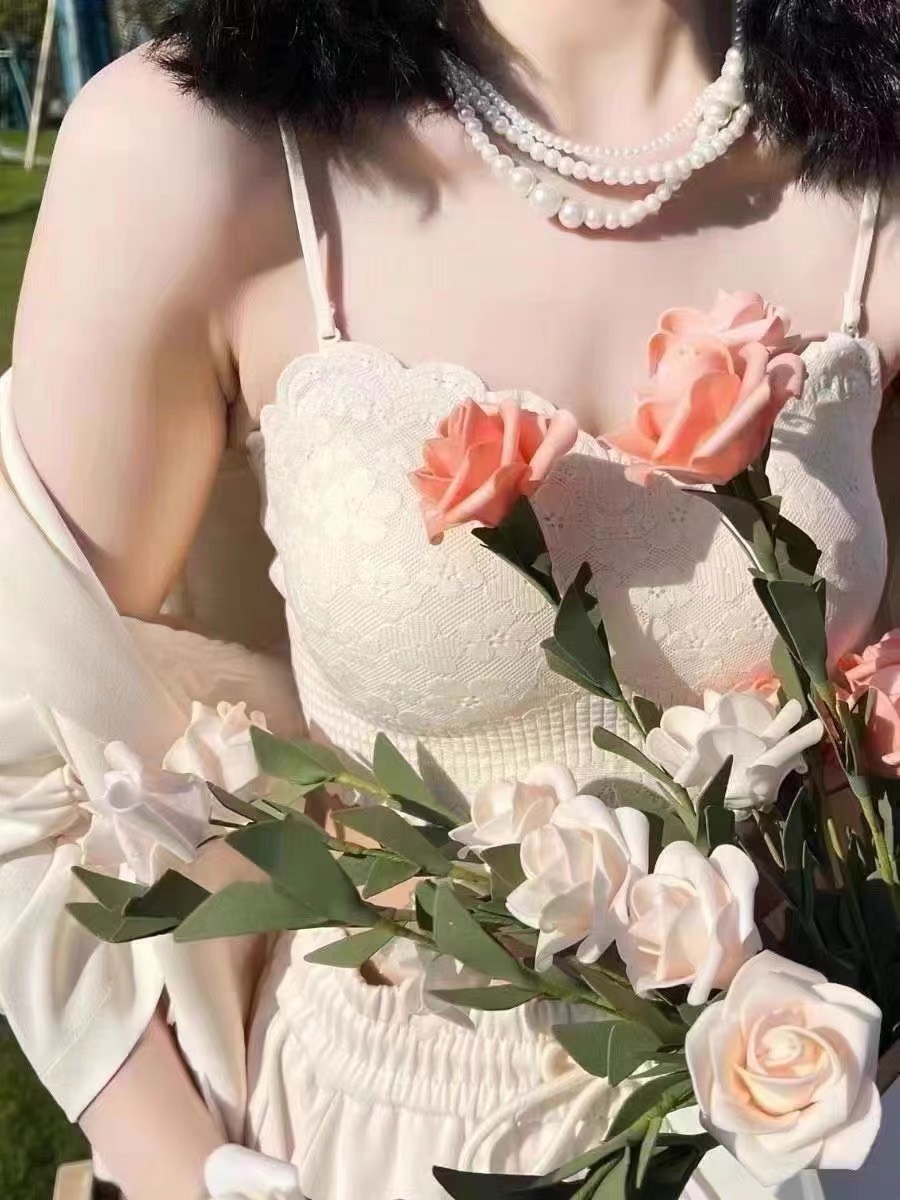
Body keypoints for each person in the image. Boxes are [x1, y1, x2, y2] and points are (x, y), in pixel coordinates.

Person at [1, 1, 898, 1198]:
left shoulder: (873, 162)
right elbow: (22, 734)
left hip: (816, 1133)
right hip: (377, 1140)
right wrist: (174, 1167)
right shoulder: (201, 149)